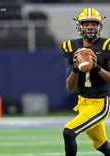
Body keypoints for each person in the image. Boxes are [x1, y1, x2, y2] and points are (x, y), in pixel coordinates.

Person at [61, 8, 110, 156]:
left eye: (94, 24)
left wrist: (96, 67)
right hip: (83, 103)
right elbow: (70, 87)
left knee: (69, 132)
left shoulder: (106, 46)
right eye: (86, 23)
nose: (90, 27)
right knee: (101, 145)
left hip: (100, 104)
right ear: (79, 26)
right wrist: (76, 69)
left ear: (99, 26)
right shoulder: (71, 47)